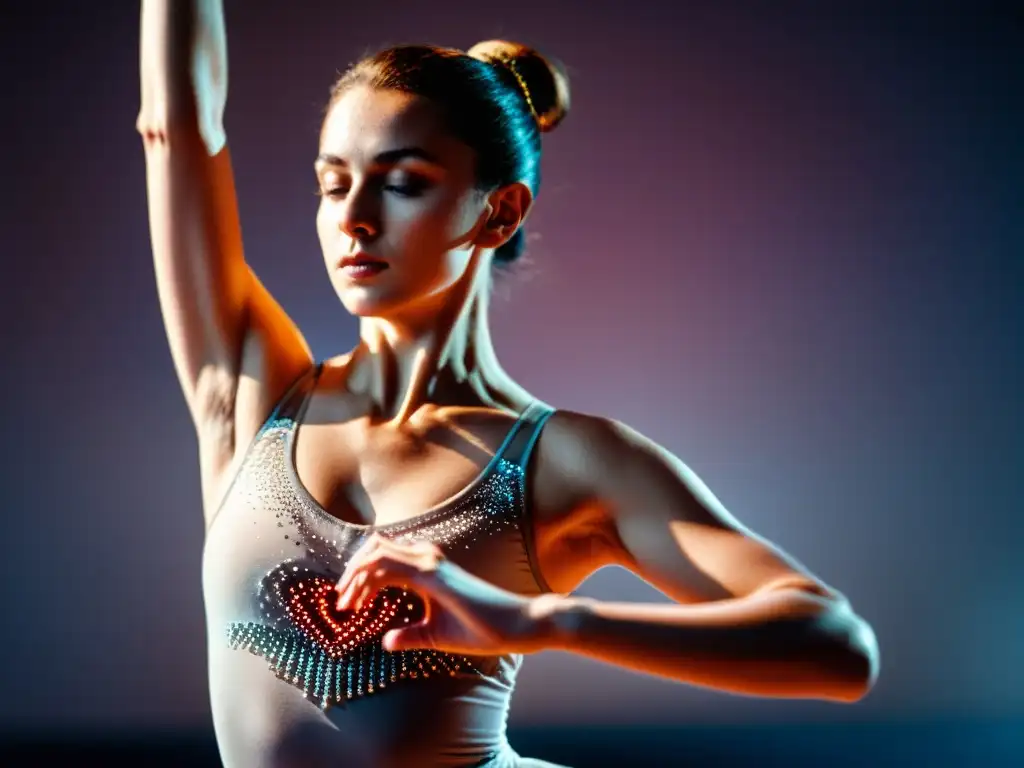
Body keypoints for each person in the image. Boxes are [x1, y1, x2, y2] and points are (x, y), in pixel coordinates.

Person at [137, 2, 879, 766]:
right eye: (333, 185)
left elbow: (837, 648)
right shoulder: (252, 394)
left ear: (498, 212)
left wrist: (539, 620)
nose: (353, 218)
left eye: (402, 183)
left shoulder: (564, 464)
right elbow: (177, 125)